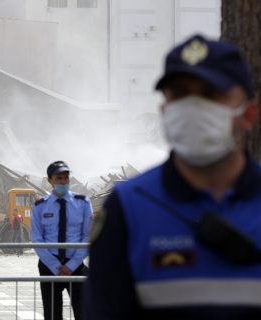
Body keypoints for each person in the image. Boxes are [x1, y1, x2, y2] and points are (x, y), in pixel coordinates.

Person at [86, 34, 261, 319]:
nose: (193, 107)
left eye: (210, 93)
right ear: (165, 110)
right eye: (180, 94)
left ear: (249, 113)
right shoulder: (128, 209)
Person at [31, 161, 93, 320]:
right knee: (52, 314)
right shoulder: (40, 206)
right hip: (49, 266)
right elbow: (37, 239)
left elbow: (87, 236)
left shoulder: (83, 203)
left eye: (66, 177)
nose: (64, 181)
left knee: (84, 312)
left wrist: (71, 265)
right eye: (59, 178)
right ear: (49, 180)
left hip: (76, 265)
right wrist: (55, 266)